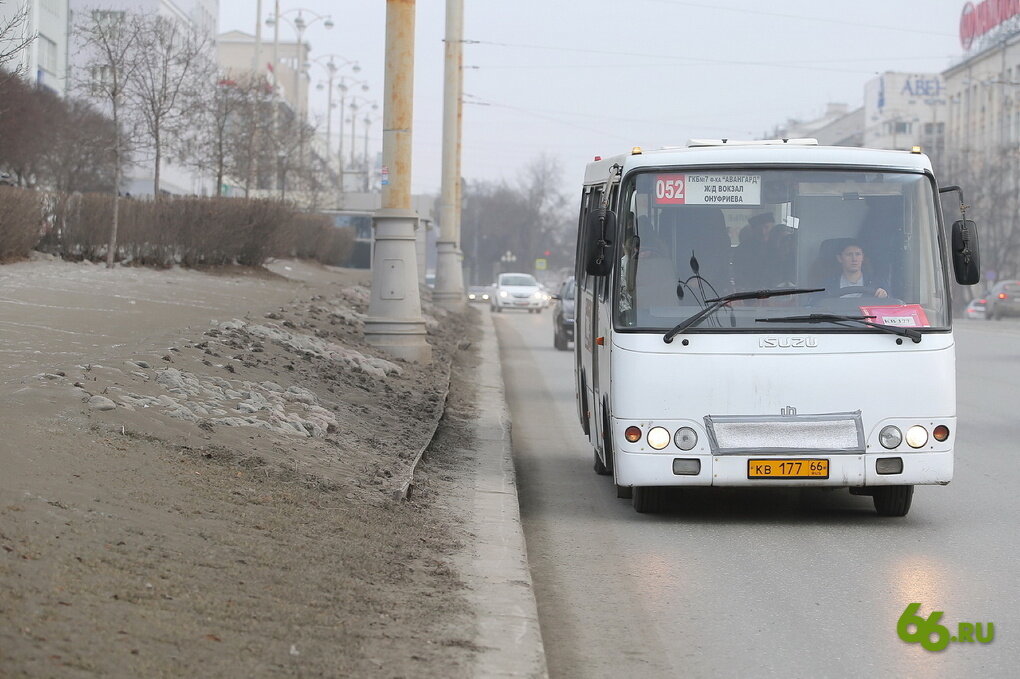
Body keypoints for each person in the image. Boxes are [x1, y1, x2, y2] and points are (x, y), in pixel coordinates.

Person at [735, 213, 795, 289]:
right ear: (753, 230)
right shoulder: (744, 250)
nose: (763, 232)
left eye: (766, 228)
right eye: (759, 229)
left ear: (773, 227)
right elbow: (740, 275)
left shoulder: (783, 246)